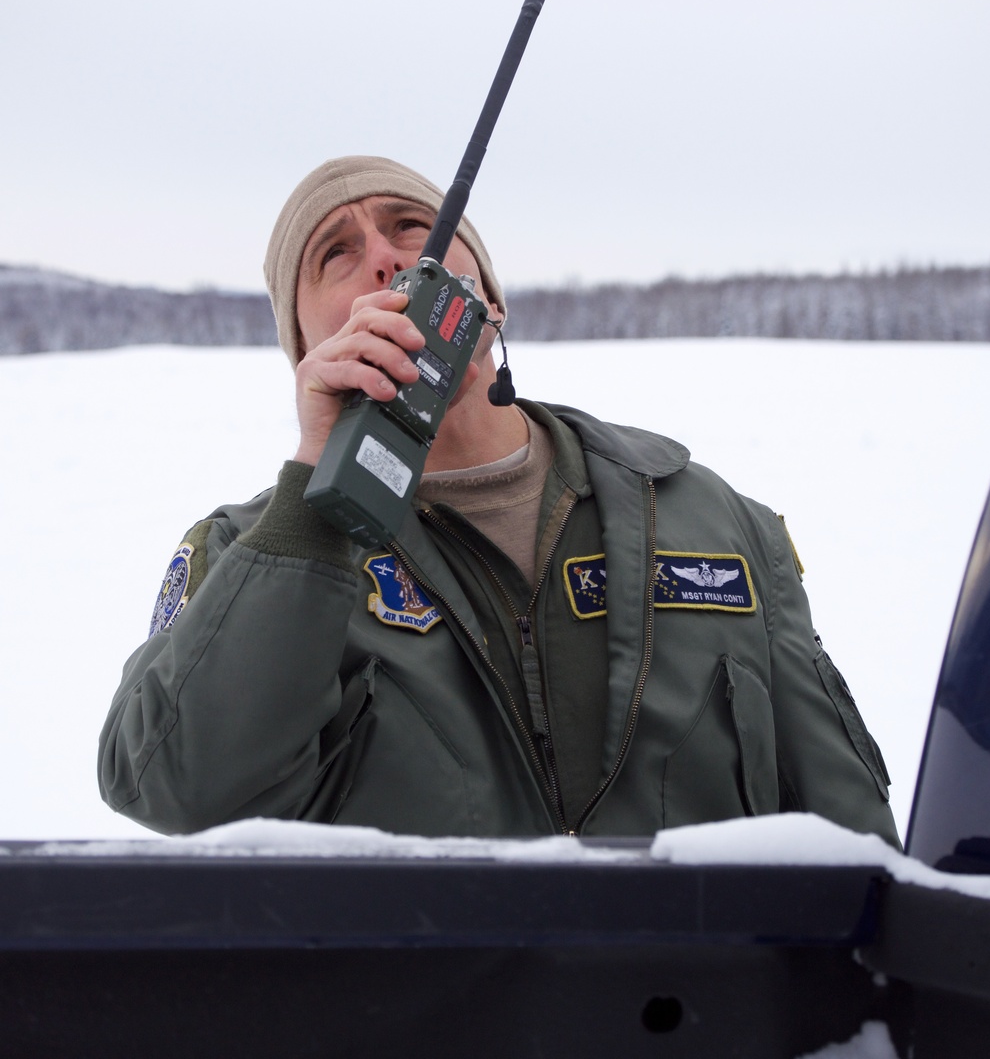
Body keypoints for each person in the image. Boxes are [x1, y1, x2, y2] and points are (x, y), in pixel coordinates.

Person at [99, 156, 901, 845]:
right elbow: (169, 788)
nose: (385, 258)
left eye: (412, 226)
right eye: (336, 255)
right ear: (309, 349)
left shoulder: (711, 518)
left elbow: (851, 829)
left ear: (491, 298)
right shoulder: (260, 554)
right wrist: (318, 493)